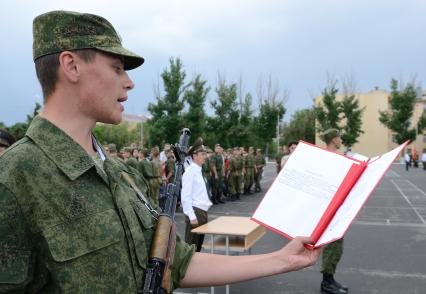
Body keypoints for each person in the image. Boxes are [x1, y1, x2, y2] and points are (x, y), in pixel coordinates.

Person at [0, 10, 320, 293]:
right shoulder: (15, 178)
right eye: (116, 68)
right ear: (71, 66)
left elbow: (177, 264)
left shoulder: (120, 175)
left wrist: (281, 259)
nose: (129, 82)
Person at [319, 129, 349, 294]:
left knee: (337, 244)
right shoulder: (327, 158)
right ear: (332, 139)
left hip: (338, 205)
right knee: (332, 243)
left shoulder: (338, 157)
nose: (340, 140)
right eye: (338, 137)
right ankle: (326, 283)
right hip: (330, 205)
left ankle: (330, 279)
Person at [182, 138, 213, 251]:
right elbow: (185, 197)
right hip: (196, 213)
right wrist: (192, 216)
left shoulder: (199, 171)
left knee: (197, 248)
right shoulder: (190, 172)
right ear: (194, 156)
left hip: (202, 212)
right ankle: (187, 269)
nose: (205, 156)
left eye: (205, 154)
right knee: (190, 249)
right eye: (202, 154)